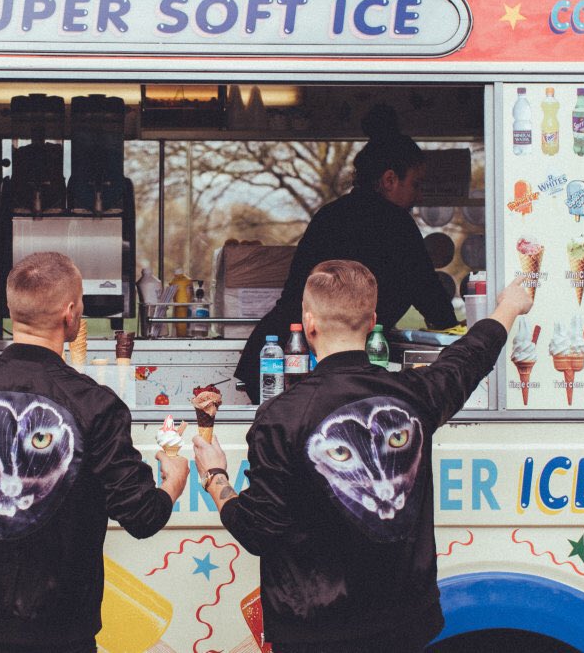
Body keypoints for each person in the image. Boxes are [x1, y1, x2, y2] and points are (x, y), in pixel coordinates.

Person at [195, 260, 531, 652]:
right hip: (405, 627)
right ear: (372, 322)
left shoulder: (280, 416)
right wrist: (509, 306)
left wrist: (215, 476)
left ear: (309, 324)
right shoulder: (415, 395)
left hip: (314, 636)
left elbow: (257, 531)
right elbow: (469, 357)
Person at [0, 251, 189, 652]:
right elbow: (143, 516)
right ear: (70, 314)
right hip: (62, 632)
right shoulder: (97, 405)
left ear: (12, 309)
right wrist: (174, 479)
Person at [234, 105, 459, 403]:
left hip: (277, 351)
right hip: (304, 362)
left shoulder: (329, 215)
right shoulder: (395, 223)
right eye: (415, 184)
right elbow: (429, 294)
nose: (419, 195)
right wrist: (456, 334)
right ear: (390, 180)